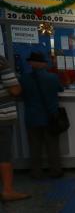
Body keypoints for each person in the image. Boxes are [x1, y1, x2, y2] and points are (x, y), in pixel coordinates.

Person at [19, 52, 64, 178]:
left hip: (32, 117)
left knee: (34, 146)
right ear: (44, 64)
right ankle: (55, 171)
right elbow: (61, 89)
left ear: (30, 63)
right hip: (50, 116)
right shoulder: (53, 77)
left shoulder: (24, 78)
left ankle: (36, 172)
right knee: (52, 146)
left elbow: (20, 93)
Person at [0, 55, 29, 201]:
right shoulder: (1, 62)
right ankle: (8, 190)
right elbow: (15, 90)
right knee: (4, 154)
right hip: (2, 116)